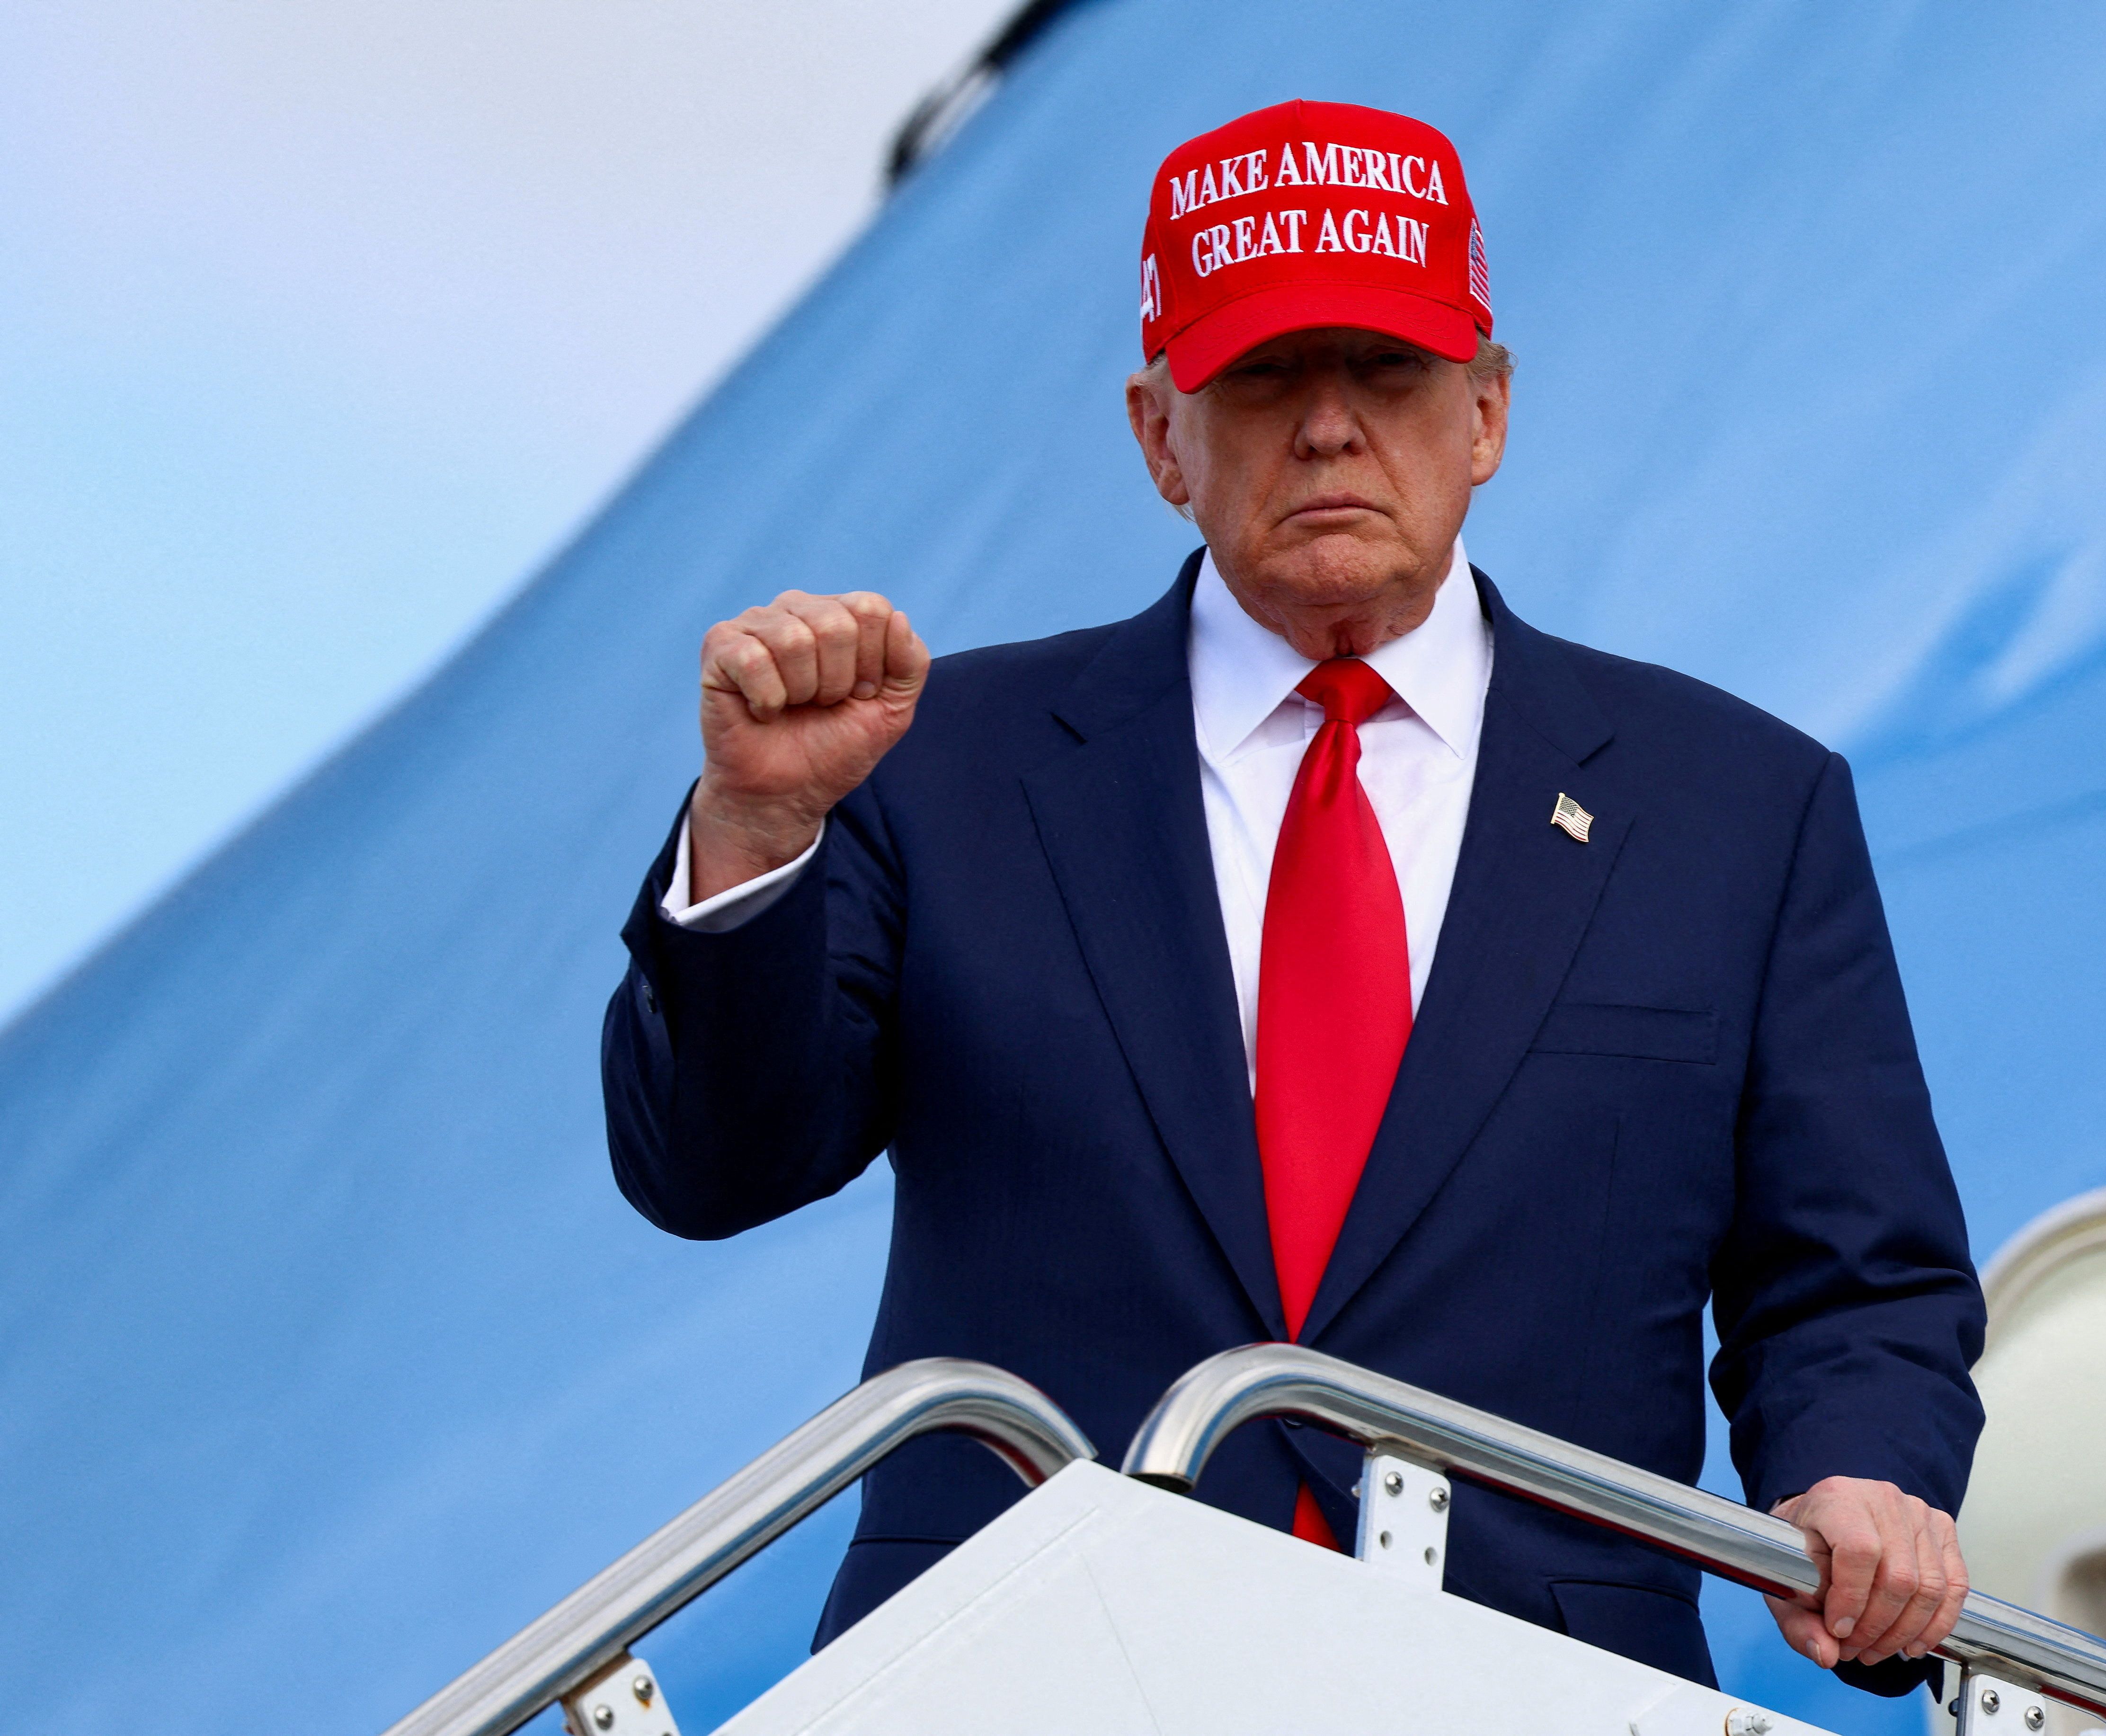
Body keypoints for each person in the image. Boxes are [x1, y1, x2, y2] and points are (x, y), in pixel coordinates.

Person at [603, 98, 1984, 1697]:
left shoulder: (1737, 807)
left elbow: (1853, 1274)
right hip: (1031, 1672)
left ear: (1485, 413)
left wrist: (1861, 1469)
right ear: (1156, 435)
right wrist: (757, 830)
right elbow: (713, 1166)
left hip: (1525, 1686)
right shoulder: (934, 759)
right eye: (1262, 375)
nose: (1329, 426)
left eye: (1386, 371)